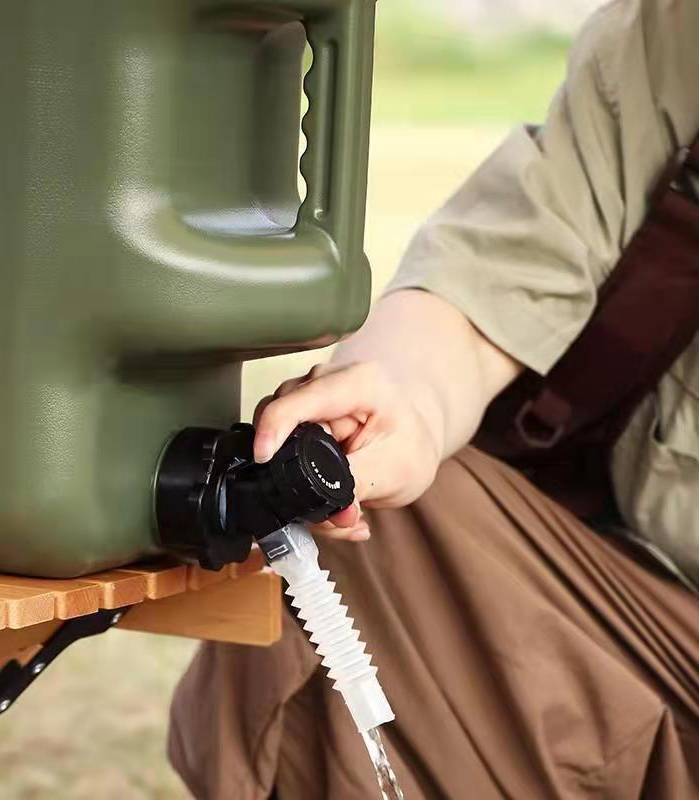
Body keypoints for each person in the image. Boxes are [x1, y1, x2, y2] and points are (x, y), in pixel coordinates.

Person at [168, 0, 699, 796]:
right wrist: (400, 403)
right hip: (656, 622)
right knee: (378, 511)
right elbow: (495, 282)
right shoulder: (675, 37)